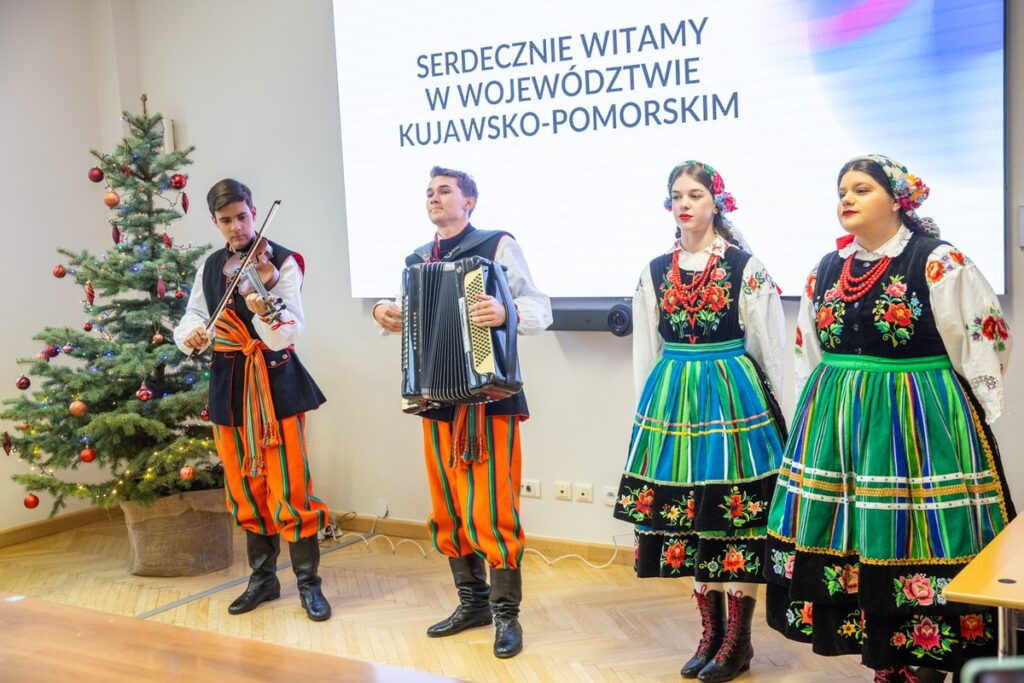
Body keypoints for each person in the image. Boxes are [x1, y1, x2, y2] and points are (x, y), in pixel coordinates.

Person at [763, 155, 1016, 682]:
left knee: (916, 536)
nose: (847, 200)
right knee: (859, 539)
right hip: (839, 429)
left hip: (916, 422)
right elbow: (809, 348)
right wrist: (824, 409)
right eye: (842, 191)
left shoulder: (938, 261)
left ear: (897, 198)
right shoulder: (826, 269)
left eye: (861, 189)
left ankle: (924, 664)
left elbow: (982, 335)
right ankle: (887, 662)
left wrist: (975, 411)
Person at [612, 161, 787, 682]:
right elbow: (647, 349)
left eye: (695, 194)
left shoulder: (745, 268)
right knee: (690, 519)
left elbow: (770, 349)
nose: (684, 204)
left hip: (733, 400)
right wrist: (646, 414)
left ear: (717, 203)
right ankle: (710, 632)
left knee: (735, 517)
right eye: (676, 196)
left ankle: (739, 640)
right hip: (676, 402)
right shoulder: (653, 270)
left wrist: (786, 416)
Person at [372, 166, 551, 659]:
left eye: (444, 190)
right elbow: (409, 318)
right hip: (435, 398)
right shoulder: (416, 259)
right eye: (429, 192)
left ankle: (505, 616)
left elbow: (539, 307)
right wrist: (383, 314)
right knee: (448, 506)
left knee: (492, 507)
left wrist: (505, 311)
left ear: (469, 201)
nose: (434, 198)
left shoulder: (497, 245)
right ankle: (471, 603)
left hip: (489, 400)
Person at [173, 179, 332, 622]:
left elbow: (288, 331)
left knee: (290, 484)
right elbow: (193, 314)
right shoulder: (211, 266)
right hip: (228, 382)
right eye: (226, 221)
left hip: (275, 382)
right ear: (214, 222)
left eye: (243, 217)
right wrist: (193, 335)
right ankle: (263, 579)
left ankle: (308, 584)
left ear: (254, 211)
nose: (238, 228)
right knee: (245, 485)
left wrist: (266, 311)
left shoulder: (281, 262)